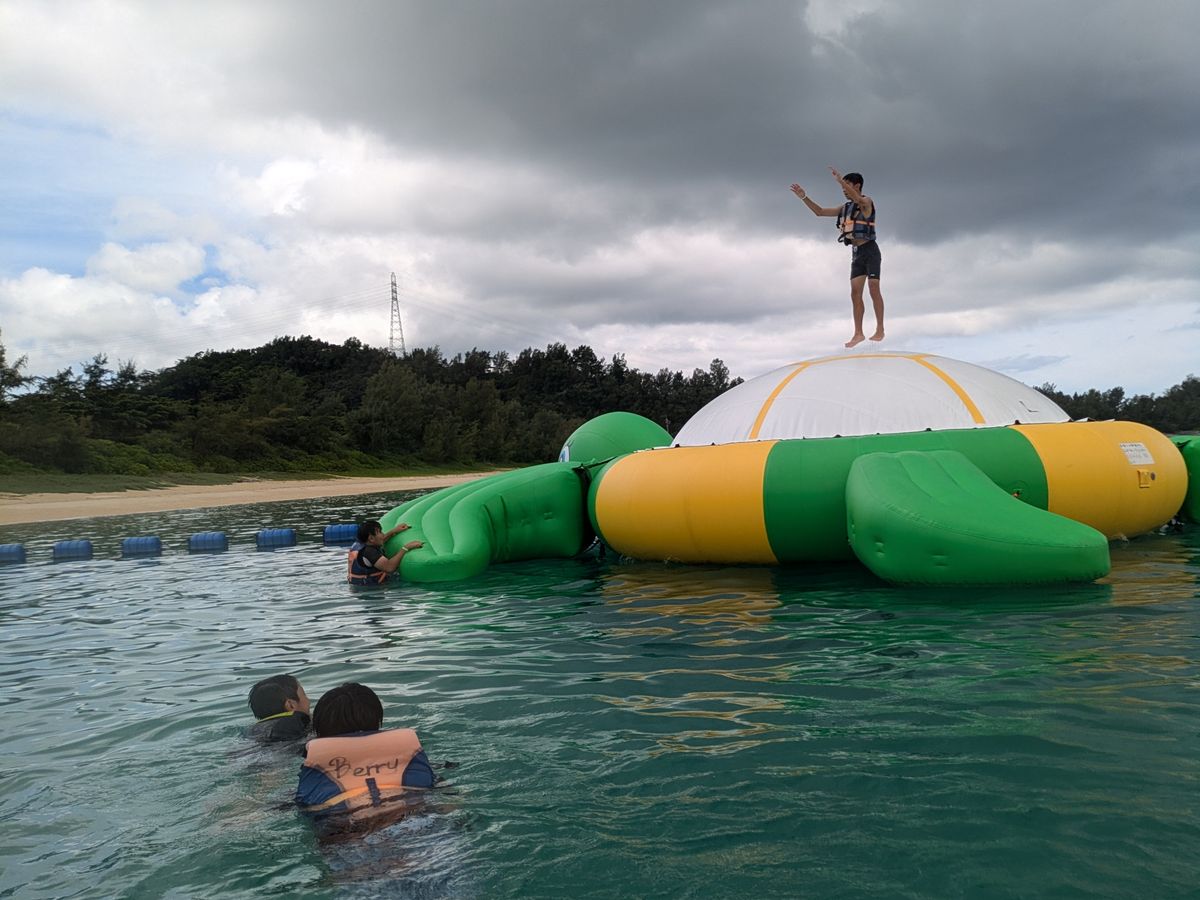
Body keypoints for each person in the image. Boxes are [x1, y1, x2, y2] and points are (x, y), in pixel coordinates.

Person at [296, 682, 437, 827]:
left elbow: (303, 803)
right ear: (377, 720)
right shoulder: (409, 754)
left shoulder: (315, 768)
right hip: (414, 820)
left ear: (321, 730)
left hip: (343, 831)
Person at [791, 167, 885, 348]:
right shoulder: (845, 208)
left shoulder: (866, 202)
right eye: (842, 186)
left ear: (857, 186)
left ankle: (880, 329)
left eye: (847, 186)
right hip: (857, 253)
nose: (843, 189)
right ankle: (858, 333)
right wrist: (803, 197)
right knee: (855, 294)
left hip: (870, 250)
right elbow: (819, 211)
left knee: (873, 289)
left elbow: (859, 200)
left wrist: (840, 180)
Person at [347, 520, 423, 585]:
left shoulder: (359, 544)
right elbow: (389, 567)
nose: (383, 534)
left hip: (360, 586)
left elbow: (379, 540)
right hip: (372, 589)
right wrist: (406, 548)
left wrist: (393, 531)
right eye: (380, 532)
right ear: (371, 538)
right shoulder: (369, 552)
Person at [247, 674, 312, 743]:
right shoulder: (298, 723)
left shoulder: (254, 730)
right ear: (290, 705)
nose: (308, 701)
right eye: (304, 695)